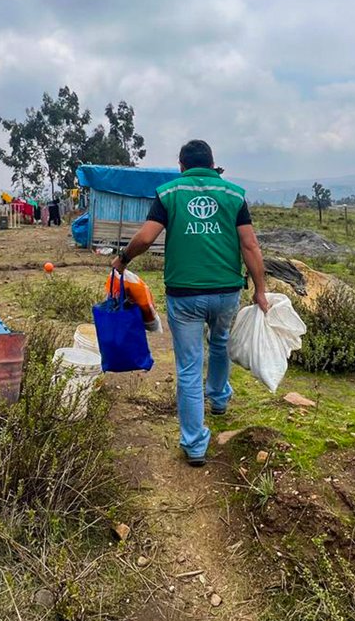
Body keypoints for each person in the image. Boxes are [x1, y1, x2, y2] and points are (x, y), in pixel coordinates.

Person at [113, 139, 268, 467]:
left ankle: (195, 446)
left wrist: (123, 260)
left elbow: (145, 237)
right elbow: (250, 245)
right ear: (213, 164)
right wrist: (260, 289)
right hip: (227, 291)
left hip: (184, 295)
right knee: (221, 343)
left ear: (182, 166)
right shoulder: (234, 194)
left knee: (188, 365)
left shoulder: (169, 193)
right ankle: (219, 398)